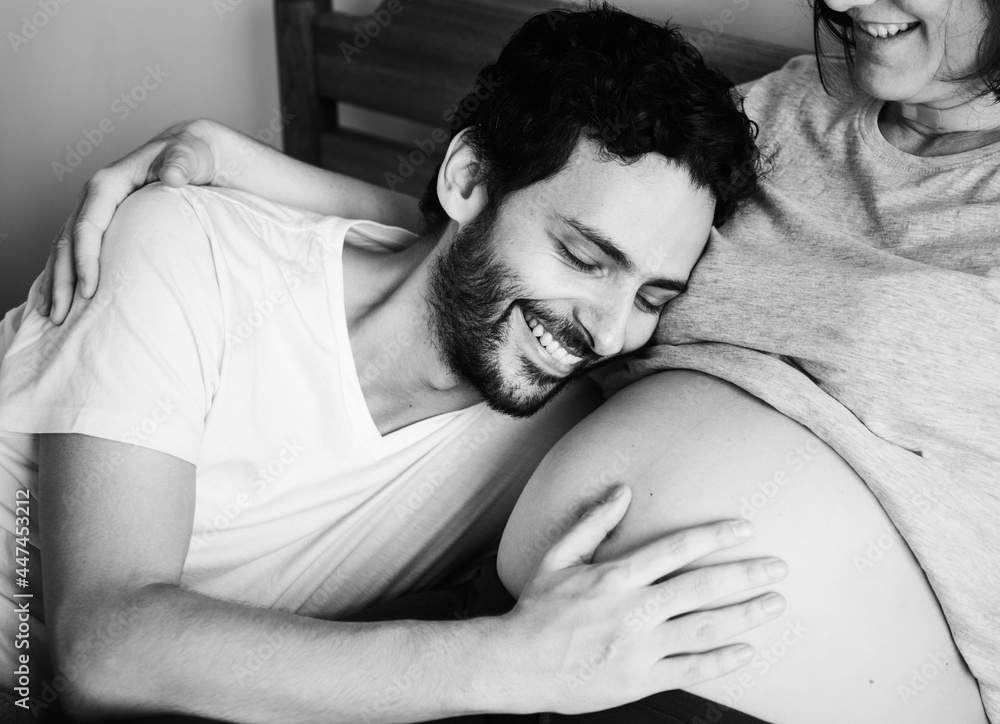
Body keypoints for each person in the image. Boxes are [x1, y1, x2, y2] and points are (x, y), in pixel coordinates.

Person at [40, 0, 1000, 722]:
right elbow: (567, 207)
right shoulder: (781, 116)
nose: (617, 331)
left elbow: (574, 240)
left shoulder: (565, 351)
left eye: (658, 301)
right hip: (522, 644)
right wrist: (236, 168)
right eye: (588, 262)